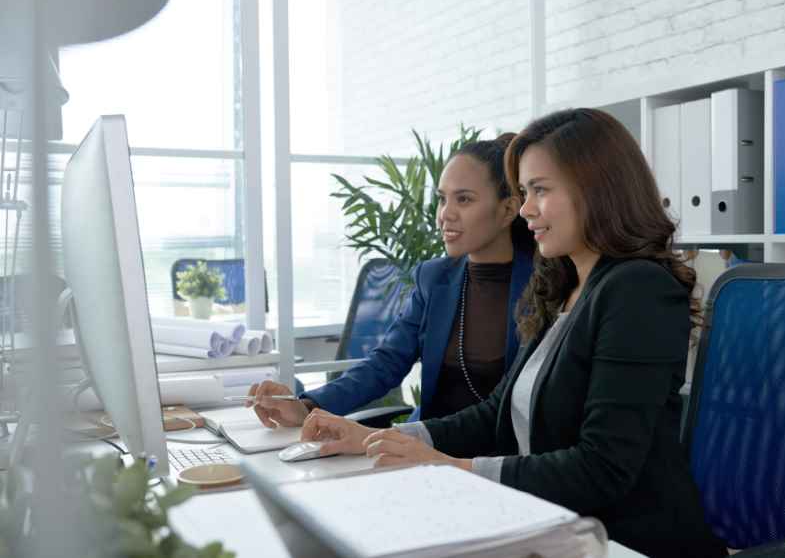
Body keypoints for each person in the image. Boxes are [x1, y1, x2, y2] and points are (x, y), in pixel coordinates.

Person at [296, 109, 727, 558]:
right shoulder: (562, 283)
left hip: (623, 541)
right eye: (523, 192)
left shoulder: (638, 288)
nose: (525, 210)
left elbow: (602, 468)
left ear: (597, 189)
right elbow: (496, 412)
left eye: (540, 190)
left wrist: (451, 467)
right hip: (543, 522)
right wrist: (385, 441)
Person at [248, 134, 535, 426]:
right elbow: (385, 364)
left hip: (497, 458)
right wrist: (306, 406)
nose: (445, 215)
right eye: (442, 199)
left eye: (463, 199)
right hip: (424, 448)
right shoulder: (434, 278)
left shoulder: (546, 285)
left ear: (508, 210)